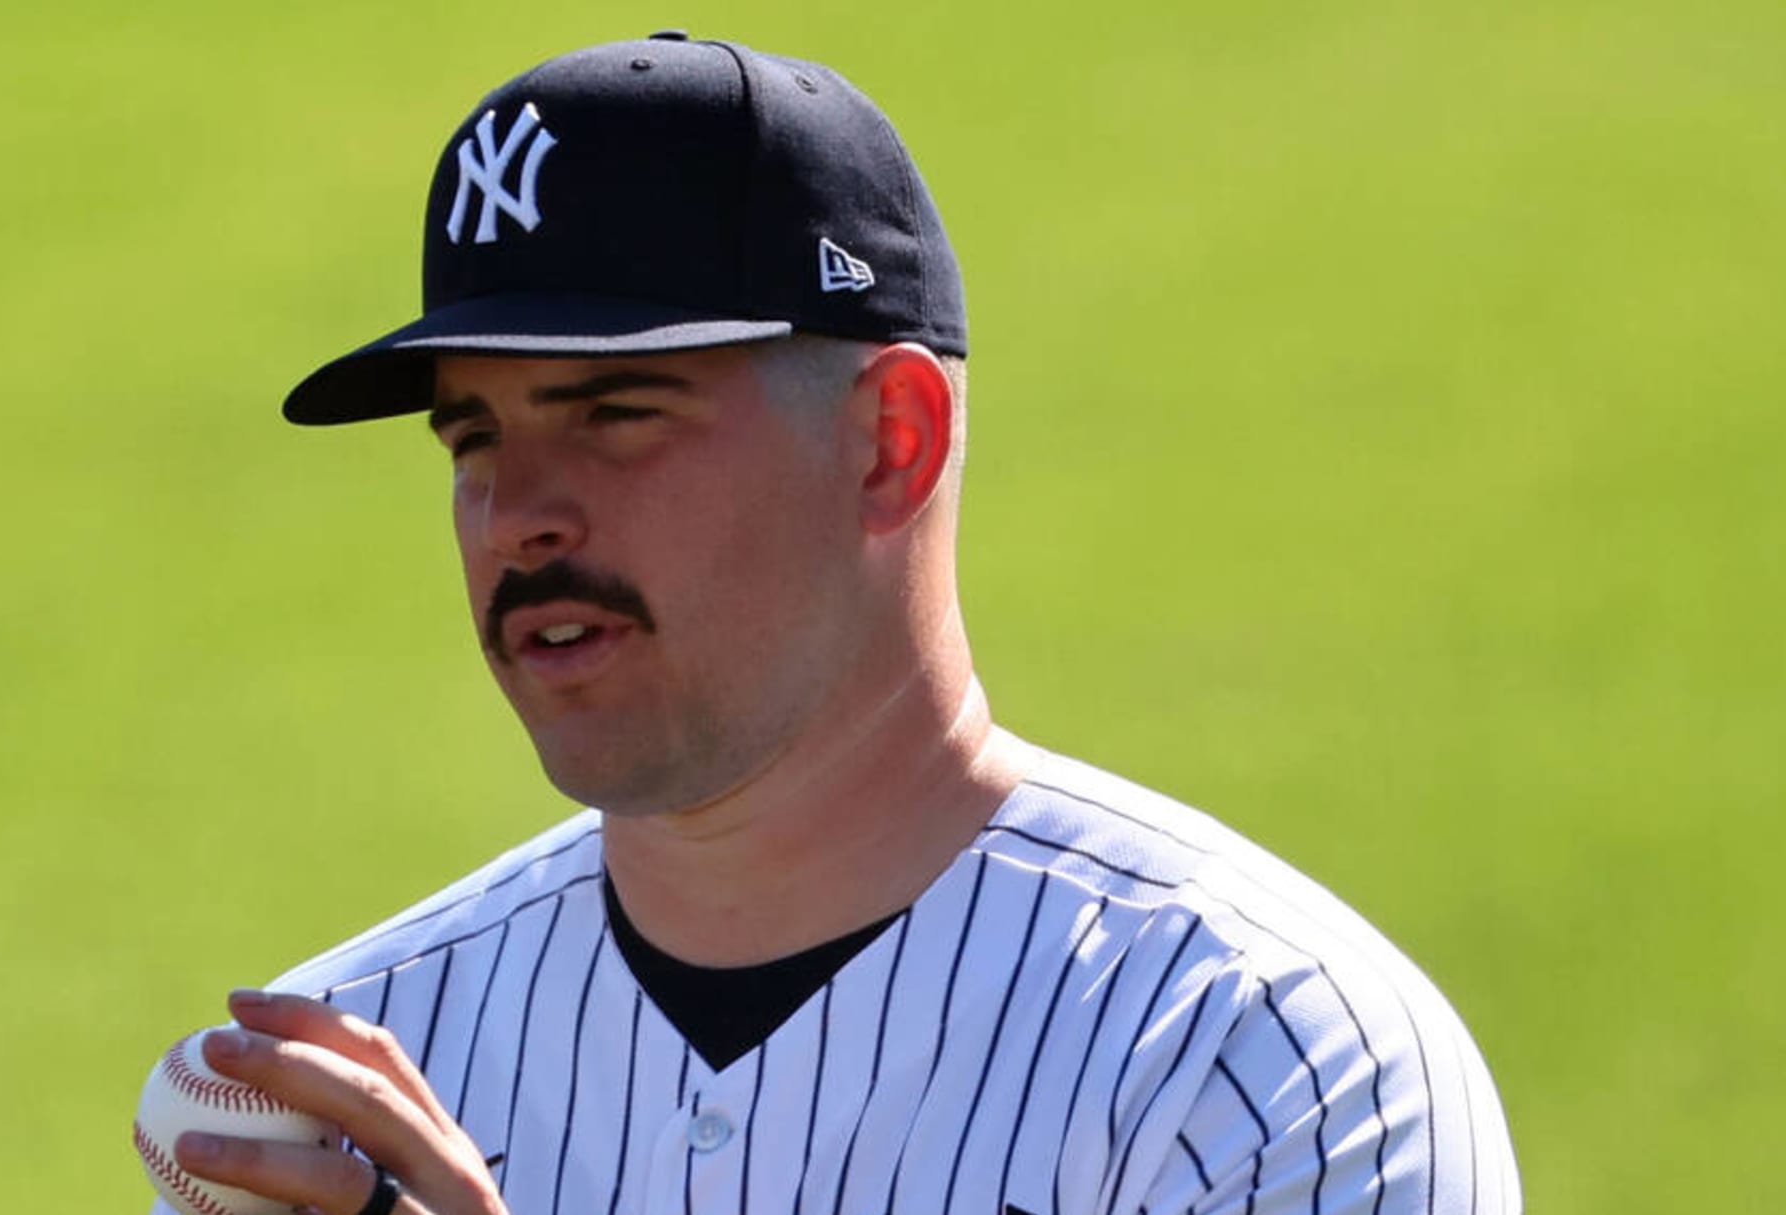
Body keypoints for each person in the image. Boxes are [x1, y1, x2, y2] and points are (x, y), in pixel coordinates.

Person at [151, 31, 1521, 1215]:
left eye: (616, 415)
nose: (517, 518)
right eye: (473, 435)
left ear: (891, 441)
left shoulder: (1253, 1059)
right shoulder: (347, 1083)